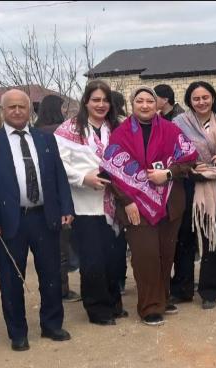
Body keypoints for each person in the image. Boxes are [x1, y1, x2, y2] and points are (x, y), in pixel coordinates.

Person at [0, 89, 75, 350]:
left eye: (22, 106)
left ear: (30, 110)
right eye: (12, 107)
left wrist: (66, 206)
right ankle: (17, 333)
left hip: (45, 216)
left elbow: (59, 175)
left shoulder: (45, 139)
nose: (18, 111)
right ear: (2, 111)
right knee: (10, 279)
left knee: (51, 274)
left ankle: (52, 325)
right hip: (9, 220)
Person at [102, 86, 197, 326]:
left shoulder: (171, 130)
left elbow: (189, 159)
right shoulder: (120, 134)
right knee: (146, 256)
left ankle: (162, 297)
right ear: (132, 105)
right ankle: (150, 306)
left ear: (157, 105)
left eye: (149, 101)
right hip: (135, 206)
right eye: (139, 101)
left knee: (166, 254)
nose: (145, 105)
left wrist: (168, 173)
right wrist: (127, 201)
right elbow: (112, 172)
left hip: (170, 203)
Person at [54, 79, 128, 326]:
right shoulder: (69, 129)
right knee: (93, 260)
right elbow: (58, 164)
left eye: (105, 100)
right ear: (85, 101)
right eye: (96, 100)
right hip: (85, 205)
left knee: (114, 258)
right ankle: (98, 309)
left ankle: (114, 303)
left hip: (114, 204)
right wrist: (83, 178)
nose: (101, 105)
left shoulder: (115, 127)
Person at [171, 82, 216, 308]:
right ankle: (182, 288)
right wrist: (191, 167)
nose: (201, 102)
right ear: (189, 101)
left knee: (211, 236)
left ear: (213, 98)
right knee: (184, 236)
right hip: (186, 184)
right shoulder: (178, 123)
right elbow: (171, 152)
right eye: (196, 98)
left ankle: (210, 291)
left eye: (205, 97)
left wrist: (211, 169)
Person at [34, 94, 80, 303]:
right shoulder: (61, 132)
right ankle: (63, 289)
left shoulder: (35, 132)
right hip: (68, 193)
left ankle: (59, 288)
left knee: (53, 248)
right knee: (64, 246)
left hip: (43, 196)